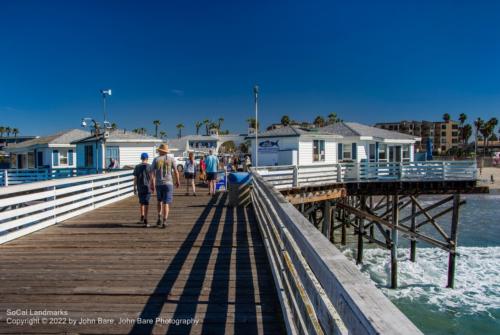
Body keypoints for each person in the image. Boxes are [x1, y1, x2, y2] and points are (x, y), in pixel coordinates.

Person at [151, 144, 180, 228]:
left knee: (159, 201)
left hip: (159, 184)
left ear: (160, 151)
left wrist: (151, 183)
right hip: (168, 184)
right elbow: (176, 171)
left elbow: (152, 172)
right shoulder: (171, 159)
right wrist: (177, 181)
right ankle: (165, 221)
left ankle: (159, 216)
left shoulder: (156, 159)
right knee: (166, 203)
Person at [133, 153, 153, 226]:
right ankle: (146, 218)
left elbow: (135, 178)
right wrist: (153, 185)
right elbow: (152, 177)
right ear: (147, 158)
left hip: (140, 187)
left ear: (141, 158)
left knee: (141, 202)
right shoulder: (150, 166)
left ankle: (142, 216)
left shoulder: (137, 167)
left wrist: (134, 187)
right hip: (148, 187)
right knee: (146, 202)